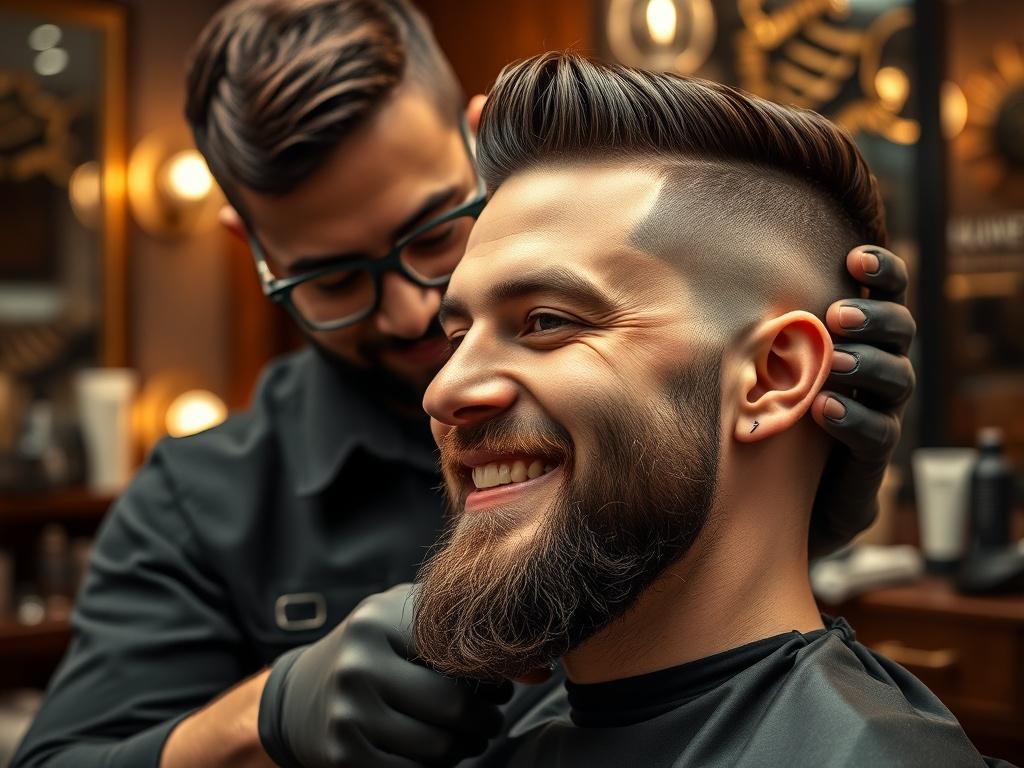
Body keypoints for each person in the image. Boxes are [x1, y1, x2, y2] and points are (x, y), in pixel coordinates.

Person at [12, 3, 917, 767]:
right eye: (333, 280)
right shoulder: (199, 503)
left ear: (475, 143)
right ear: (251, 252)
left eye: (434, 233)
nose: (414, 317)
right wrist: (263, 718)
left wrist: (777, 491)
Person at [412, 52, 1006, 768]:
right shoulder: (507, 732)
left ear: (772, 375)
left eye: (545, 321)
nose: (443, 392)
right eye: (455, 337)